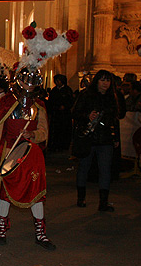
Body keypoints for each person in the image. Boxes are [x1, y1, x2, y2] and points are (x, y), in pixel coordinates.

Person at [0, 66, 54, 250]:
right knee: (5, 192)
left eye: (32, 83)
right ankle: (2, 228)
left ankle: (40, 231)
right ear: (18, 81)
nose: (28, 86)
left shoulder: (40, 105)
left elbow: (44, 131)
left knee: (35, 192)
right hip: (9, 152)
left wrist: (34, 135)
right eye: (25, 82)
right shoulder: (6, 102)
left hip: (31, 155)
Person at [72, 70, 120, 212]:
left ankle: (103, 202)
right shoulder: (86, 95)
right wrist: (88, 116)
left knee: (105, 169)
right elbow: (75, 113)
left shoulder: (112, 97)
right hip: (88, 137)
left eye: (108, 80)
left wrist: (116, 137)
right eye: (102, 80)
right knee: (84, 167)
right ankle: (81, 198)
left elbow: (115, 119)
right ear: (97, 81)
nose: (105, 83)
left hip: (105, 138)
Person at [48, 74, 74, 151]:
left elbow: (71, 101)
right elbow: (51, 102)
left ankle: (64, 145)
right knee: (56, 130)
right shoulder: (54, 90)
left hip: (64, 115)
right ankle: (55, 145)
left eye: (58, 80)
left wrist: (65, 106)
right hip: (56, 114)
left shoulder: (67, 90)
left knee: (64, 130)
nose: (57, 82)